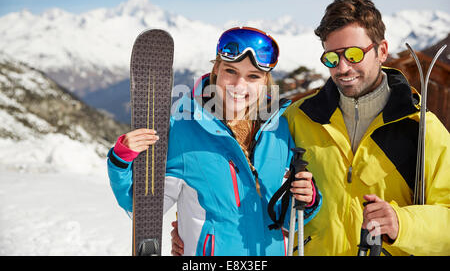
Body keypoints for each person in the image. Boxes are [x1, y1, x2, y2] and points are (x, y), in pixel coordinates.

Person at [107, 26, 322, 256]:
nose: (239, 85)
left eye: (252, 76)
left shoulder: (279, 130)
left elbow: (287, 219)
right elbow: (141, 209)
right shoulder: (183, 129)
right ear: (217, 68)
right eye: (231, 71)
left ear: (265, 80)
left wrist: (307, 199)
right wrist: (121, 160)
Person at [283, 0, 449, 255]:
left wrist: (402, 224)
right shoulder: (297, 118)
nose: (343, 67)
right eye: (332, 58)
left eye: (354, 54)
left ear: (381, 51)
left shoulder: (423, 128)